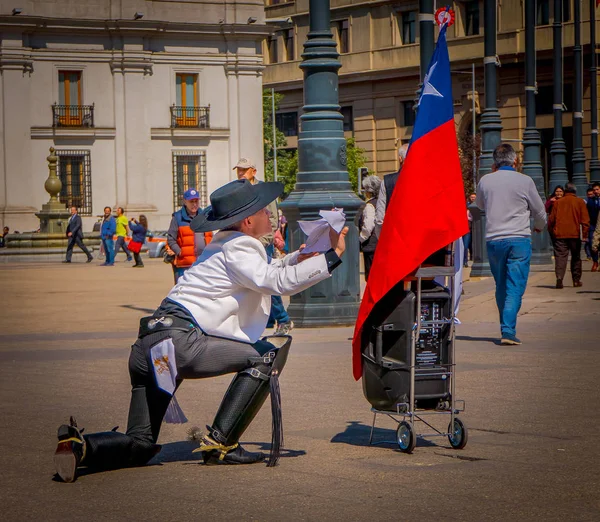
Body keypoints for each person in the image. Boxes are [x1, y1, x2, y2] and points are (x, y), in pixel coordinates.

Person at [53, 179, 349, 482]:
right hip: (181, 343)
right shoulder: (240, 247)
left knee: (140, 443)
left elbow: (267, 272)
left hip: (149, 345)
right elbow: (275, 283)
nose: (270, 216)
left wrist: (299, 257)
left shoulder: (225, 244)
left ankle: (79, 447)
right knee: (268, 353)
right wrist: (331, 256)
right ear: (248, 220)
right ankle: (221, 444)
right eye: (264, 211)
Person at [476, 143, 546, 346]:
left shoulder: (485, 180)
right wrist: (539, 226)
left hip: (494, 240)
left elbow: (480, 205)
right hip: (518, 239)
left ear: (494, 162)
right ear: (515, 160)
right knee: (515, 286)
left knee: (501, 285)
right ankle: (508, 330)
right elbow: (540, 212)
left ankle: (505, 326)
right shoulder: (525, 181)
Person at [234, 158, 294, 335]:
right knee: (247, 283)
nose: (240, 173)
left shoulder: (263, 192)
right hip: (245, 243)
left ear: (253, 171)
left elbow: (273, 221)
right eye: (238, 170)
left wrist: (261, 242)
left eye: (243, 170)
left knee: (266, 282)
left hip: (261, 244)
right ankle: (263, 320)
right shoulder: (239, 191)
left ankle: (283, 319)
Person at [548, 183, 590, 289]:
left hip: (560, 234)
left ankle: (559, 278)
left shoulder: (558, 202)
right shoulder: (580, 202)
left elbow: (551, 220)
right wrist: (585, 234)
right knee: (576, 257)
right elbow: (585, 220)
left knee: (560, 257)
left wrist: (552, 231)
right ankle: (576, 280)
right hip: (575, 234)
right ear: (575, 191)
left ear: (565, 191)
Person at [166, 188, 212, 283]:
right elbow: (171, 238)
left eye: (196, 201)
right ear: (185, 202)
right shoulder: (177, 218)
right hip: (184, 265)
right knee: (183, 291)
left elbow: (210, 236)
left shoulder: (204, 217)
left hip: (202, 263)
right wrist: (179, 252)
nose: (194, 204)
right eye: (191, 201)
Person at [375, 144, 409, 239]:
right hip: (420, 244)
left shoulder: (387, 182)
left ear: (400, 159)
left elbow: (380, 219)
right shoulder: (426, 181)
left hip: (395, 240)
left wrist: (383, 240)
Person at [358, 175, 381, 281]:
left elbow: (368, 226)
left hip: (370, 246)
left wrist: (360, 239)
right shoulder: (381, 204)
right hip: (380, 244)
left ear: (368, 191)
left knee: (371, 276)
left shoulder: (369, 206)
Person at [586, 182, 600, 272]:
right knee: (592, 243)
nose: (595, 191)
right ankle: (595, 261)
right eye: (594, 190)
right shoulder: (590, 201)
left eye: (597, 189)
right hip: (592, 225)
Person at [463, 193, 476, 267]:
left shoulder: (470, 207)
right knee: (463, 246)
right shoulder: (465, 206)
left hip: (469, 228)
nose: (473, 198)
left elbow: (472, 218)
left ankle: (466, 260)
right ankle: (463, 261)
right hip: (463, 229)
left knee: (466, 245)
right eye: (472, 197)